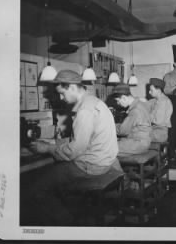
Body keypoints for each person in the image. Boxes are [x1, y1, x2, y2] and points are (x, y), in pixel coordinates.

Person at [28, 70, 122, 225]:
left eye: (62, 93)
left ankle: (67, 224)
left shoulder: (84, 111)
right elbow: (81, 139)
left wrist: (46, 149)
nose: (61, 98)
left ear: (72, 87)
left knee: (38, 188)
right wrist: (54, 144)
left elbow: (74, 151)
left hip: (91, 166)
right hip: (105, 162)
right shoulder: (95, 102)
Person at [111, 83, 152, 156]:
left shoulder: (135, 110)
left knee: (106, 148)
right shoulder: (140, 104)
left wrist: (109, 126)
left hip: (137, 143)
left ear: (124, 98)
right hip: (144, 142)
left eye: (118, 101)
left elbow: (123, 131)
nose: (118, 103)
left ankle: (116, 168)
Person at [146, 78, 173, 143]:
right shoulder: (155, 100)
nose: (149, 92)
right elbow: (145, 104)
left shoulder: (164, 101)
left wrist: (145, 117)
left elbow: (158, 121)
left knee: (136, 134)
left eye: (151, 90)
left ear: (158, 90)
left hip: (160, 133)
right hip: (154, 130)